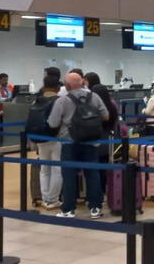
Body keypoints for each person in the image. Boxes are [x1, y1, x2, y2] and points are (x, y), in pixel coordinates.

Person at [49, 73, 109, 219]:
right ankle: (95, 208)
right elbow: (106, 116)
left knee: (69, 175)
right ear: (82, 83)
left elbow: (53, 123)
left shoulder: (62, 100)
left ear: (67, 85)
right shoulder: (94, 97)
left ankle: (68, 209)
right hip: (91, 142)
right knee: (92, 174)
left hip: (70, 143)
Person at [84, 72, 119, 196]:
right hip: (108, 141)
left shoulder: (92, 106)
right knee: (105, 167)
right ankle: (105, 191)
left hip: (95, 140)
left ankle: (95, 193)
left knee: (94, 169)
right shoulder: (112, 106)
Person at [36, 76, 63, 209]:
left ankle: (45, 198)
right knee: (57, 168)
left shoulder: (37, 100)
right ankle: (53, 200)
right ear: (57, 87)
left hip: (40, 138)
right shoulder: (59, 100)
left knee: (44, 170)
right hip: (56, 138)